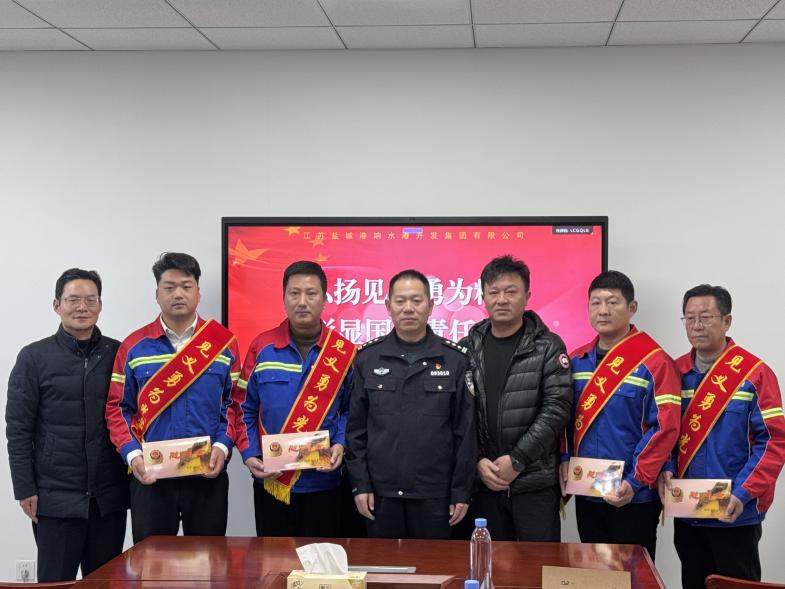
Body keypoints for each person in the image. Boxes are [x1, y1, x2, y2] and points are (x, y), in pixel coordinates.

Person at [105, 252, 240, 543]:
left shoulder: (223, 344)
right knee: (151, 562)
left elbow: (234, 405)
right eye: (169, 287)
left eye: (186, 286)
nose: (178, 294)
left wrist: (222, 446)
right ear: (157, 294)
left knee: (209, 561)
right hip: (151, 477)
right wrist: (133, 455)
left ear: (198, 292)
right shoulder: (134, 346)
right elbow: (117, 409)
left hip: (207, 475)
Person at [657, 284, 785, 589]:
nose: (696, 326)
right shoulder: (674, 372)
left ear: (727, 321)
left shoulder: (755, 374)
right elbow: (663, 433)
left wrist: (742, 493)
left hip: (734, 511)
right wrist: (666, 469)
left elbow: (774, 442)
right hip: (688, 511)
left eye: (706, 317)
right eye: (689, 318)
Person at [6, 268, 129, 581]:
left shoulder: (118, 354)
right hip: (55, 499)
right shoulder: (33, 357)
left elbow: (131, 417)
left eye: (90, 300)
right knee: (55, 583)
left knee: (104, 584)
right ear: (56, 305)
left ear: (100, 305)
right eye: (73, 299)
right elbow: (18, 429)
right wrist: (25, 488)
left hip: (108, 498)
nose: (82, 307)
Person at [346, 269, 476, 539]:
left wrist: (460, 491)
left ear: (430, 306)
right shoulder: (367, 359)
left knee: (434, 565)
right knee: (383, 566)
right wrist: (360, 484)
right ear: (388, 306)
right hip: (380, 496)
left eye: (416, 301)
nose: (408, 308)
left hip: (436, 496)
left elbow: (465, 433)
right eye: (400, 300)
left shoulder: (454, 360)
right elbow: (356, 430)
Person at [560, 270, 680, 560]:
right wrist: (564, 459)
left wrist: (635, 480)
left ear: (632, 307)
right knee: (594, 574)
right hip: (588, 490)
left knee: (634, 575)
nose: (603, 310)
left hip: (633, 494)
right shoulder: (576, 361)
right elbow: (561, 419)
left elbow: (665, 427)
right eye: (596, 302)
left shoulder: (655, 362)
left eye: (612, 302)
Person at [234, 260, 354, 537]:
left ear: (324, 299)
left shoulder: (343, 352)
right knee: (273, 560)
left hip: (324, 482)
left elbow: (351, 410)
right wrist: (250, 455)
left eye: (311, 294)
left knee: (322, 559)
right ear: (283, 298)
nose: (302, 302)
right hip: (273, 480)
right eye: (294, 293)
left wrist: (341, 443)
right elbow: (242, 408)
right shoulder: (262, 347)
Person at [459, 255, 572, 542]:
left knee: (537, 565)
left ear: (527, 296)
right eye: (494, 292)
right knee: (488, 562)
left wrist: (518, 459)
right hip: (484, 484)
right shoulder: (467, 348)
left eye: (511, 292)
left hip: (534, 484)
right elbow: (460, 414)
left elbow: (557, 408)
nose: (502, 300)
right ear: (483, 297)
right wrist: (477, 461)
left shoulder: (548, 346)